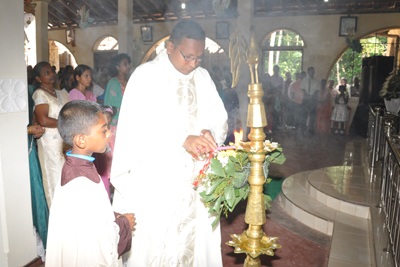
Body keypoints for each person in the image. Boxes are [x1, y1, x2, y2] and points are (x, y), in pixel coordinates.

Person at [111, 20, 227, 267]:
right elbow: (135, 127)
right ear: (170, 46)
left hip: (196, 181)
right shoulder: (146, 76)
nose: (193, 64)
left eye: (199, 58)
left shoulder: (203, 77)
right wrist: (183, 139)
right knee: (156, 247)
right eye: (188, 56)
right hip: (156, 181)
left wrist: (211, 133)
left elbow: (220, 119)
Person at [46, 100, 135, 266]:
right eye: (103, 130)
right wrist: (124, 224)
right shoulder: (82, 182)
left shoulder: (76, 165)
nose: (109, 134)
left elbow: (91, 217)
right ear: (81, 140)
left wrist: (114, 217)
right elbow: (99, 242)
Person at [32, 61, 70, 208]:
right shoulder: (39, 93)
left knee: (68, 177)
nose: (51, 74)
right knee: (55, 178)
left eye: (52, 71)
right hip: (50, 143)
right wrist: (66, 123)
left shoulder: (62, 93)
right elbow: (43, 119)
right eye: (46, 73)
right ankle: (57, 221)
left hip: (64, 140)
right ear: (38, 79)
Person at [27, 82, 48, 259]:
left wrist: (33, 127)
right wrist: (27, 129)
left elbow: (31, 116)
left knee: (37, 190)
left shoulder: (28, 90)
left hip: (30, 147)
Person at [104, 53, 131, 153]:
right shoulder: (113, 83)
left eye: (128, 64)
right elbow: (109, 105)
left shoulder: (130, 81)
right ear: (117, 67)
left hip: (129, 121)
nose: (128, 66)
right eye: (125, 64)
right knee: (116, 154)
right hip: (116, 123)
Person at [93, 105, 117, 199]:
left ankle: (115, 197)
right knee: (105, 178)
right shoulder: (99, 130)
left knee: (115, 177)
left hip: (114, 157)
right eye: (105, 117)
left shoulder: (114, 128)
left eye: (109, 117)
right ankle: (107, 196)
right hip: (104, 157)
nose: (107, 119)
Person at [300, 67, 320, 134]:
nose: (312, 72)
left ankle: (311, 130)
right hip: (305, 99)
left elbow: (317, 91)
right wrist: (308, 98)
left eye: (313, 71)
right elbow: (303, 89)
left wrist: (311, 97)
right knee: (304, 115)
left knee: (312, 116)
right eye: (311, 71)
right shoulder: (304, 80)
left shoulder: (316, 81)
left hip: (313, 100)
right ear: (308, 72)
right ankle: (303, 130)